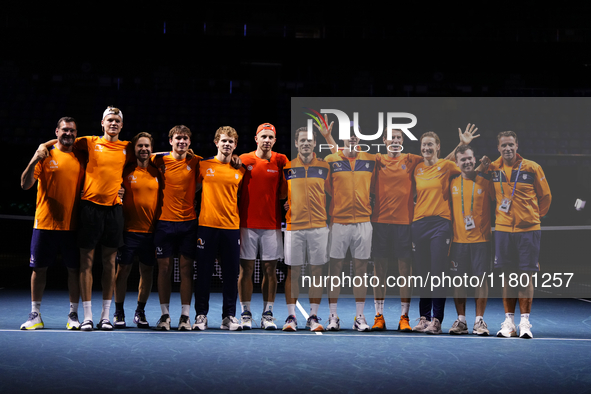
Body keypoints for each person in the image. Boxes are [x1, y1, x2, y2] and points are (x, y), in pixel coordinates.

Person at [19, 117, 84, 330]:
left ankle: (73, 315)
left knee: (74, 270)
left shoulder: (81, 156)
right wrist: (35, 157)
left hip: (73, 225)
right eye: (64, 130)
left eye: (72, 131)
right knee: (39, 269)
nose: (68, 133)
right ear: (56, 131)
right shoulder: (45, 155)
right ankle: (35, 314)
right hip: (44, 223)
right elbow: (25, 184)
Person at [489, 131, 551, 339]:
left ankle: (525, 323)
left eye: (511, 145)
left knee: (525, 277)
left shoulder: (532, 167)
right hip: (504, 229)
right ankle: (509, 323)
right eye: (503, 145)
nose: (507, 149)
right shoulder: (493, 168)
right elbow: (490, 194)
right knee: (507, 277)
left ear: (517, 146)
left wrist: (532, 217)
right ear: (498, 148)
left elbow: (546, 196)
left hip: (528, 231)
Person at [192, 126, 246, 331]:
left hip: (231, 227)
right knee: (203, 273)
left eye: (231, 142)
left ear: (235, 145)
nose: (227, 144)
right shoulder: (203, 165)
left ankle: (229, 316)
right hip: (206, 226)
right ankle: (201, 316)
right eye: (224, 141)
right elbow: (192, 188)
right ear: (216, 142)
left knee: (231, 274)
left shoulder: (239, 169)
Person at [370, 128, 423, 332]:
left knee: (405, 272)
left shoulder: (411, 159)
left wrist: (461, 146)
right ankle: (378, 316)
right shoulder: (376, 160)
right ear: (384, 141)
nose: (395, 140)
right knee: (379, 271)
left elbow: (438, 161)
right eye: (391, 138)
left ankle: (404, 317)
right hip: (380, 222)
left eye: (398, 138)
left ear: (403, 141)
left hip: (404, 224)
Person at [323, 132, 376, 332]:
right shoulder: (331, 160)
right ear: (343, 138)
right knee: (334, 270)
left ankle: (359, 317)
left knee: (361, 271)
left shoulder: (370, 160)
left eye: (355, 135)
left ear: (359, 139)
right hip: (338, 222)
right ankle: (333, 316)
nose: (352, 138)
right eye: (348, 135)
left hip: (363, 222)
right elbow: (328, 187)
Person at [238, 123, 288, 330]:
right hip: (246, 224)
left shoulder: (281, 160)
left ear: (275, 141)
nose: (267, 140)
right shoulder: (244, 160)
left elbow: (291, 184)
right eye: (263, 136)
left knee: (270, 270)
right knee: (246, 269)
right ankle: (246, 313)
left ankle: (268, 313)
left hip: (272, 224)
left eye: (270, 137)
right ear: (256, 139)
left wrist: (289, 201)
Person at [151, 125, 202, 331]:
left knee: (186, 270)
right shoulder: (159, 160)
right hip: (164, 223)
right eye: (178, 138)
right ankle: (165, 316)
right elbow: (141, 152)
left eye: (185, 139)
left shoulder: (197, 161)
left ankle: (185, 316)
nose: (181, 141)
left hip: (189, 223)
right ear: (170, 140)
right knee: (164, 270)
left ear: (190, 142)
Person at [281, 127, 330, 332]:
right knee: (293, 272)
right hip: (294, 226)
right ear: (296, 143)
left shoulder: (325, 167)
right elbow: (283, 195)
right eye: (302, 140)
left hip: (319, 226)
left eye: (309, 140)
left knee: (316, 272)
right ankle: (291, 317)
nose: (306, 144)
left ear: (315, 144)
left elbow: (333, 194)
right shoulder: (288, 167)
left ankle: (313, 316)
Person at [113, 132, 161, 329]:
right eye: (140, 146)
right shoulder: (124, 171)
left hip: (151, 232)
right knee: (122, 271)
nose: (144, 149)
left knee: (147, 272)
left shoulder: (158, 172)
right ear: (134, 149)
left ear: (151, 149)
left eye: (147, 146)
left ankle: (140, 311)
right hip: (128, 231)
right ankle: (118, 311)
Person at [448, 145, 492, 336]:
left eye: (469, 158)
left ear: (475, 160)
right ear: (457, 163)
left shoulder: (486, 181)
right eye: (462, 159)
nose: (466, 162)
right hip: (458, 242)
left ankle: (479, 321)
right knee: (459, 282)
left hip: (481, 242)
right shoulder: (452, 182)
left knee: (481, 281)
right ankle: (461, 320)